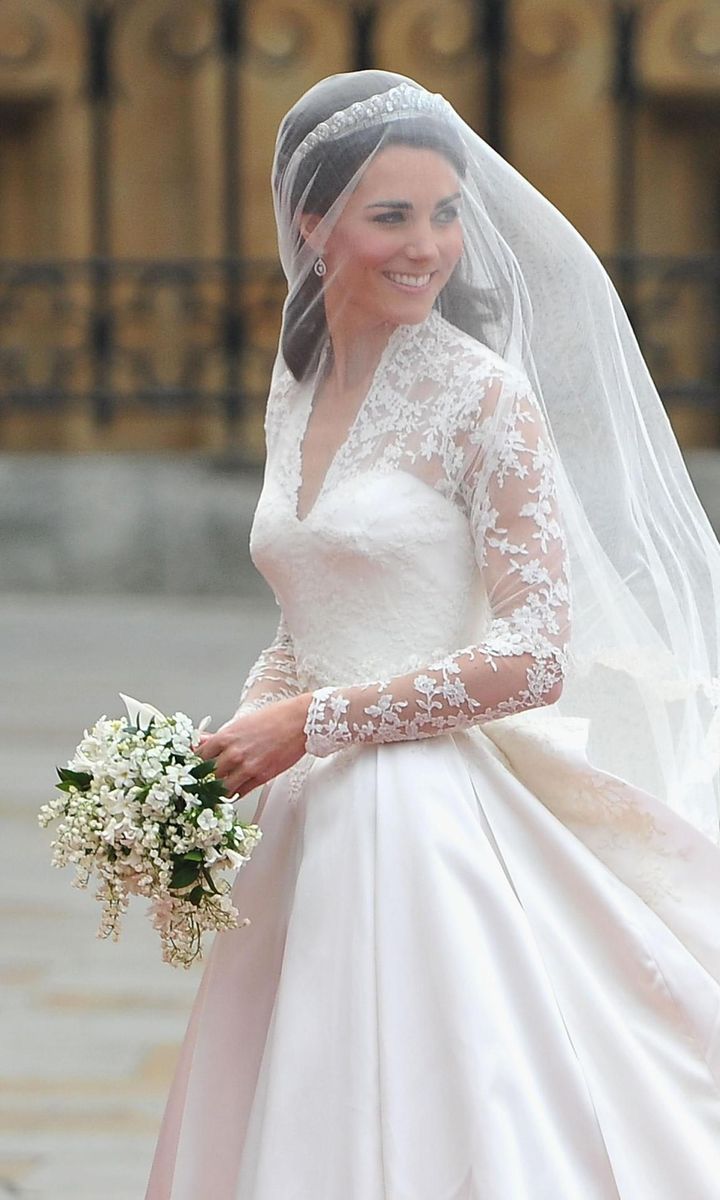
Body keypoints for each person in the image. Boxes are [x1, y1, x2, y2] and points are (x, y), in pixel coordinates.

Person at [145, 71, 720, 1199]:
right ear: (312, 224)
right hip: (302, 812)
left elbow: (536, 650)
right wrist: (226, 748)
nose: (429, 247)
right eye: (391, 216)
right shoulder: (300, 384)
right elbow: (309, 607)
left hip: (425, 814)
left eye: (446, 213)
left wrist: (312, 721)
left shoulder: (483, 398)